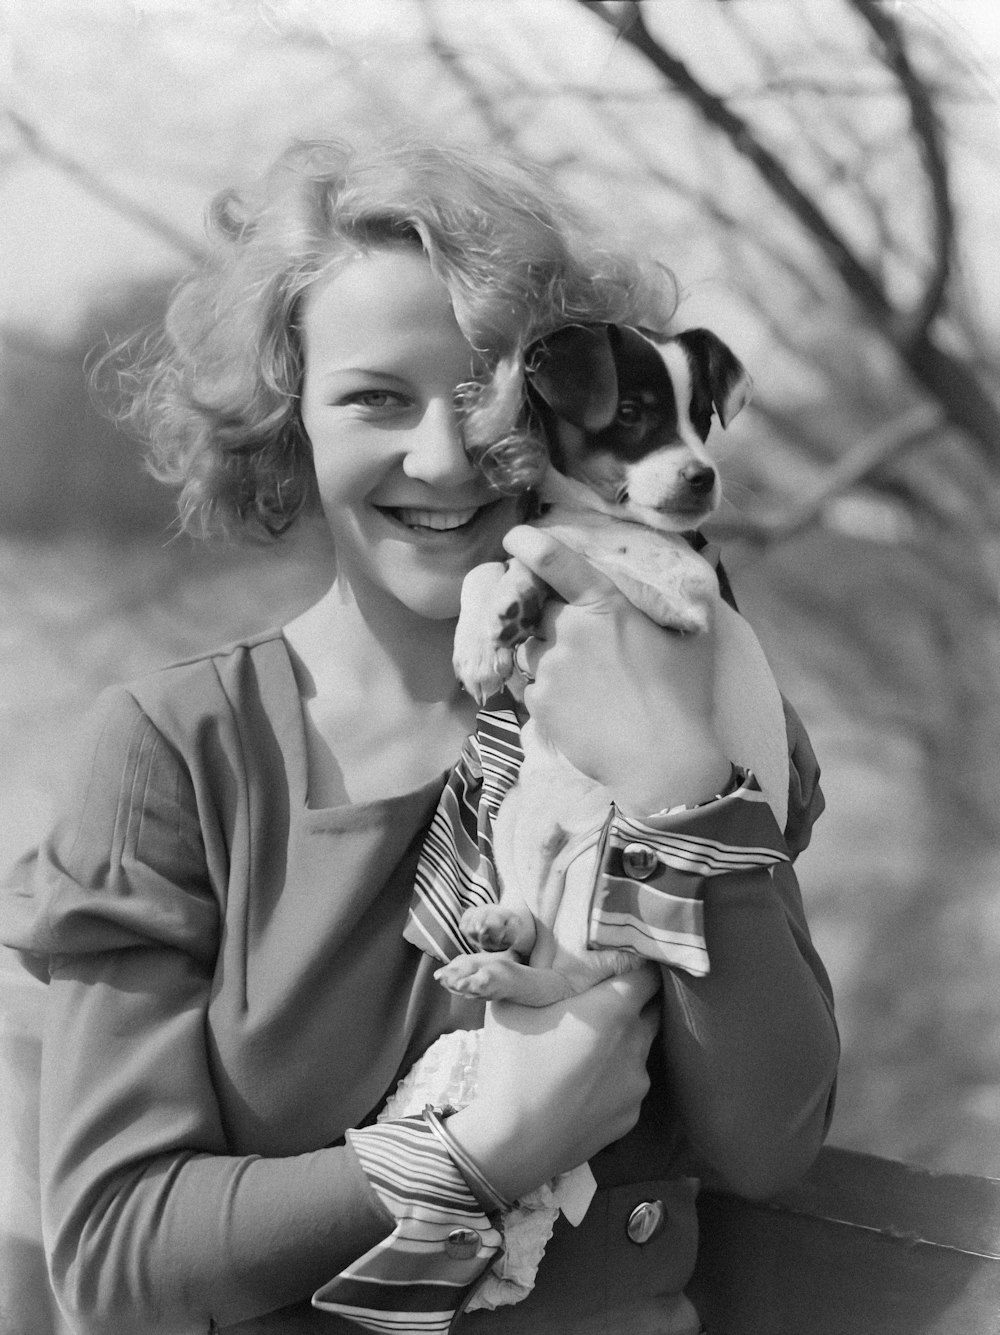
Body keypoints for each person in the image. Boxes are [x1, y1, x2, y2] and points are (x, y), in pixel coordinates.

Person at [0, 136, 839, 1335]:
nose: (443, 460)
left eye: (479, 398)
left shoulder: (693, 692)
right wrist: (486, 1149)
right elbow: (114, 1256)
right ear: (287, 418)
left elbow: (772, 1142)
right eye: (375, 398)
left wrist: (673, 785)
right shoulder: (181, 751)